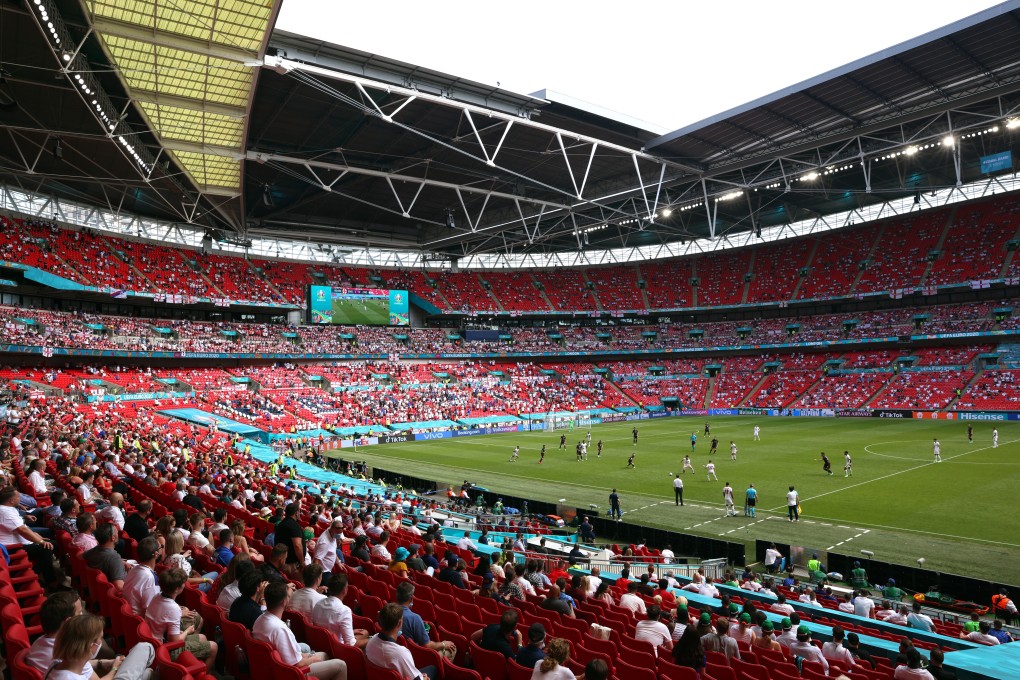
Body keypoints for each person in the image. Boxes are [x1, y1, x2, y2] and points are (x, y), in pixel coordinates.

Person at [254, 582, 347, 680]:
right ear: (284, 601)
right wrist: (313, 659)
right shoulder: (280, 629)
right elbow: (297, 664)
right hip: (293, 673)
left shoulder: (259, 619)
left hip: (278, 666)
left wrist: (305, 656)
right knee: (341, 665)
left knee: (324, 655)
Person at [146, 568, 217, 669]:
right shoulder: (173, 608)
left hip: (159, 639)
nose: (184, 585)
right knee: (214, 647)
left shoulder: (157, 596)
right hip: (165, 650)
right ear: (177, 589)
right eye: (183, 584)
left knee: (203, 638)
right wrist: (187, 631)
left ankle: (195, 668)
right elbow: (174, 642)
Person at [46, 613, 154, 680]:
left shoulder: (57, 663)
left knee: (147, 673)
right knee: (145, 647)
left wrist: (109, 664)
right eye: (100, 638)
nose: (101, 642)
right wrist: (115, 668)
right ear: (91, 646)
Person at [0, 486, 59, 589]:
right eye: (18, 497)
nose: (20, 499)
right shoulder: (5, 511)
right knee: (46, 548)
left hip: (20, 542)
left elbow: (24, 528)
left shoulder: (8, 508)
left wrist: (37, 536)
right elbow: (22, 530)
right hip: (13, 548)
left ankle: (38, 571)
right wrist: (40, 541)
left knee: (53, 543)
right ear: (11, 500)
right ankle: (51, 583)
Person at [395, 582, 456, 657]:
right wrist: (443, 644)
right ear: (411, 598)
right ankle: (435, 668)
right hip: (417, 657)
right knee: (453, 649)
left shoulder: (389, 612)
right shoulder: (414, 618)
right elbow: (427, 646)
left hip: (400, 653)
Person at [312, 572, 369, 649]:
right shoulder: (345, 611)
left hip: (321, 643)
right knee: (367, 636)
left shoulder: (318, 604)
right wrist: (371, 640)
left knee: (364, 632)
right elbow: (351, 644)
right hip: (337, 647)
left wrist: (351, 631)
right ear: (344, 590)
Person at [122, 537, 161, 616]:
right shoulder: (150, 577)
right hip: (140, 620)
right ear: (156, 554)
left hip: (129, 616)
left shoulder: (133, 569)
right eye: (161, 547)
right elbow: (151, 610)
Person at [85, 523, 126, 591]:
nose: (118, 535)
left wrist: (120, 562)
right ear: (113, 538)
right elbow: (119, 586)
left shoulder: (95, 550)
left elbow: (80, 556)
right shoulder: (114, 557)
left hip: (98, 591)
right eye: (117, 533)